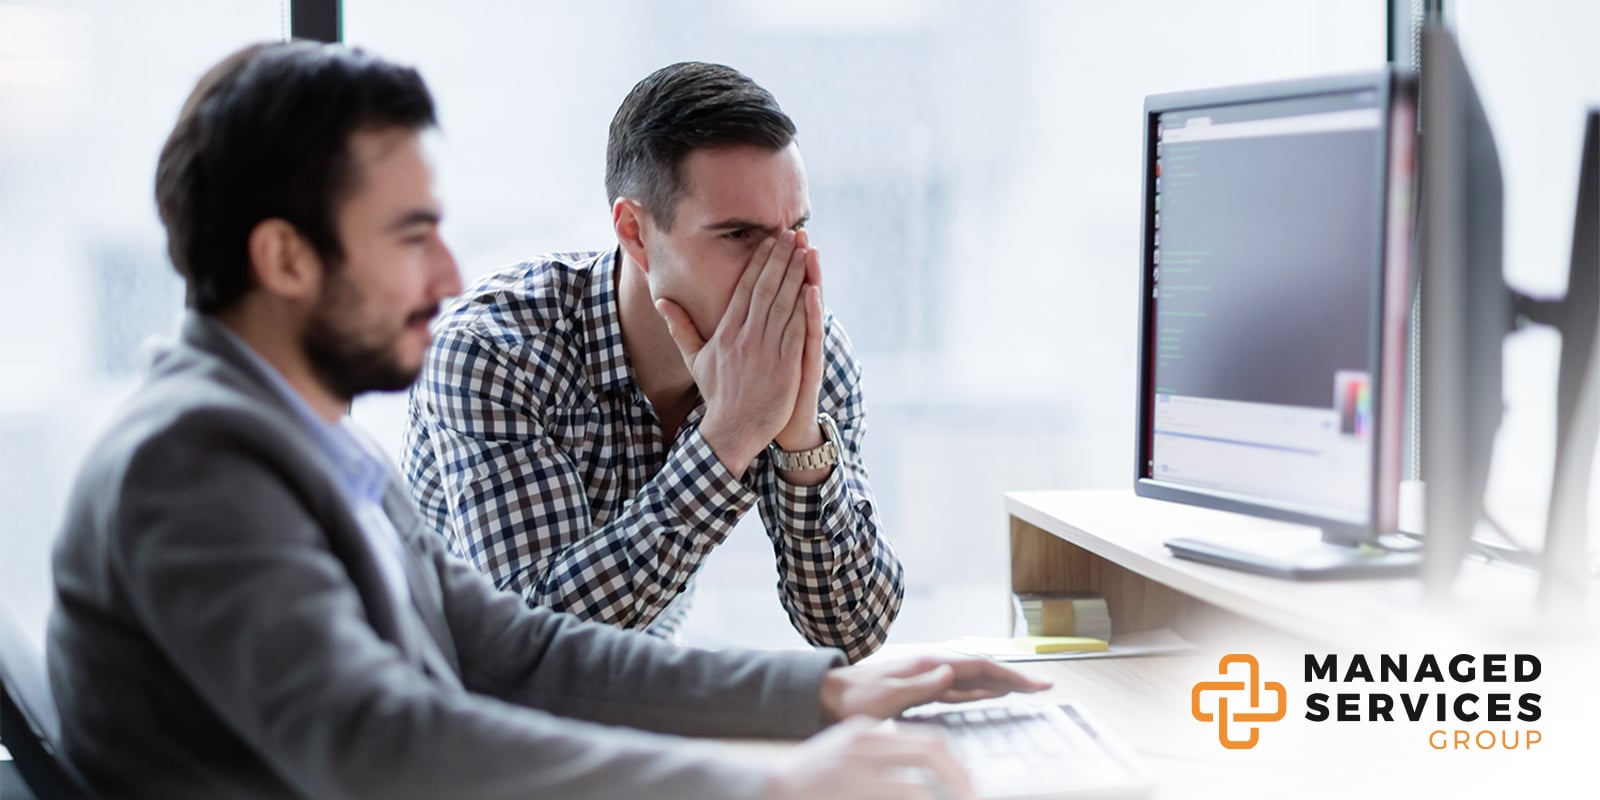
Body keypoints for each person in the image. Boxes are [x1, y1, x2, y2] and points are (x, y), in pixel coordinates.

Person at [45, 41, 1047, 799]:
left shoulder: (312, 445)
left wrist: (823, 696)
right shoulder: (192, 465)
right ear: (285, 259)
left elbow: (512, 650)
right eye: (410, 236)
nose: (448, 275)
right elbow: (382, 742)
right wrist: (766, 782)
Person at [402, 62, 902, 661]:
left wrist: (800, 442)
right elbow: (529, 649)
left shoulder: (807, 353)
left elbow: (853, 631)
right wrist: (729, 436)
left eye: (795, 230)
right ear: (635, 232)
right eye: (739, 236)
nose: (784, 271)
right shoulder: (494, 352)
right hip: (441, 692)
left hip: (646, 686)